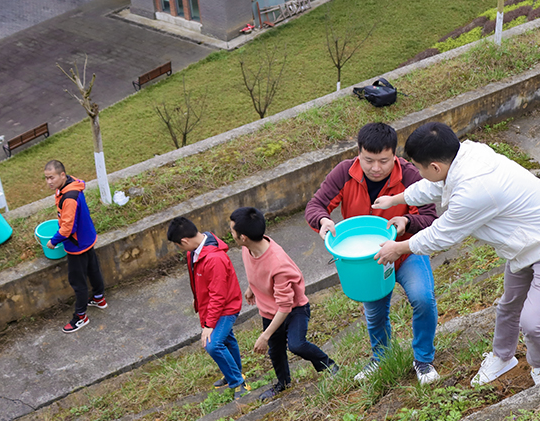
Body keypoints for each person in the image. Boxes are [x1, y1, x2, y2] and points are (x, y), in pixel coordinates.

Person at [373, 121, 540, 388]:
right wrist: (397, 199)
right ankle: (502, 357)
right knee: (509, 306)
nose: (417, 172)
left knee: (533, 322)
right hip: (524, 247)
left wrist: (398, 248)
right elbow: (437, 187)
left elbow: (441, 234)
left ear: (435, 166)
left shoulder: (474, 190)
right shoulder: (466, 154)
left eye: (418, 167)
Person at [305, 122, 441, 385]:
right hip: (367, 261)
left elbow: (429, 217)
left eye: (384, 161)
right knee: (375, 313)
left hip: (405, 252)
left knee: (423, 299)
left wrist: (407, 222)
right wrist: (322, 220)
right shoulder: (344, 173)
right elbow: (316, 205)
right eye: (368, 160)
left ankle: (423, 360)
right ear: (359, 153)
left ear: (395, 156)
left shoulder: (410, 175)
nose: (376, 168)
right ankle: (381, 357)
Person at [231, 207, 337, 400]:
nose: (231, 234)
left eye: (232, 231)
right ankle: (283, 383)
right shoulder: (249, 248)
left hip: (293, 309)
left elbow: (285, 307)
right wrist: (251, 287)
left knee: (296, 345)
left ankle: (328, 365)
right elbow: (257, 269)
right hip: (269, 310)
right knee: (276, 351)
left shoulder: (277, 263)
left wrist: (265, 335)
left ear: (243, 237)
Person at [167, 215, 249, 399]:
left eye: (179, 245)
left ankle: (238, 382)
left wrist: (209, 325)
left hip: (226, 308)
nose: (180, 249)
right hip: (211, 306)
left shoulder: (214, 259)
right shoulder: (193, 253)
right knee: (227, 340)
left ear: (184, 241)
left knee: (213, 344)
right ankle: (233, 373)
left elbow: (218, 295)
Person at [44, 160, 107, 333]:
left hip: (76, 244)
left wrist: (53, 241)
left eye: (52, 177)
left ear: (62, 175)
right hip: (87, 238)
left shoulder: (69, 198)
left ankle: (80, 317)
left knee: (78, 282)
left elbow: (67, 228)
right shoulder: (71, 185)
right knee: (93, 270)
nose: (49, 182)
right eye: (46, 178)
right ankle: (99, 298)